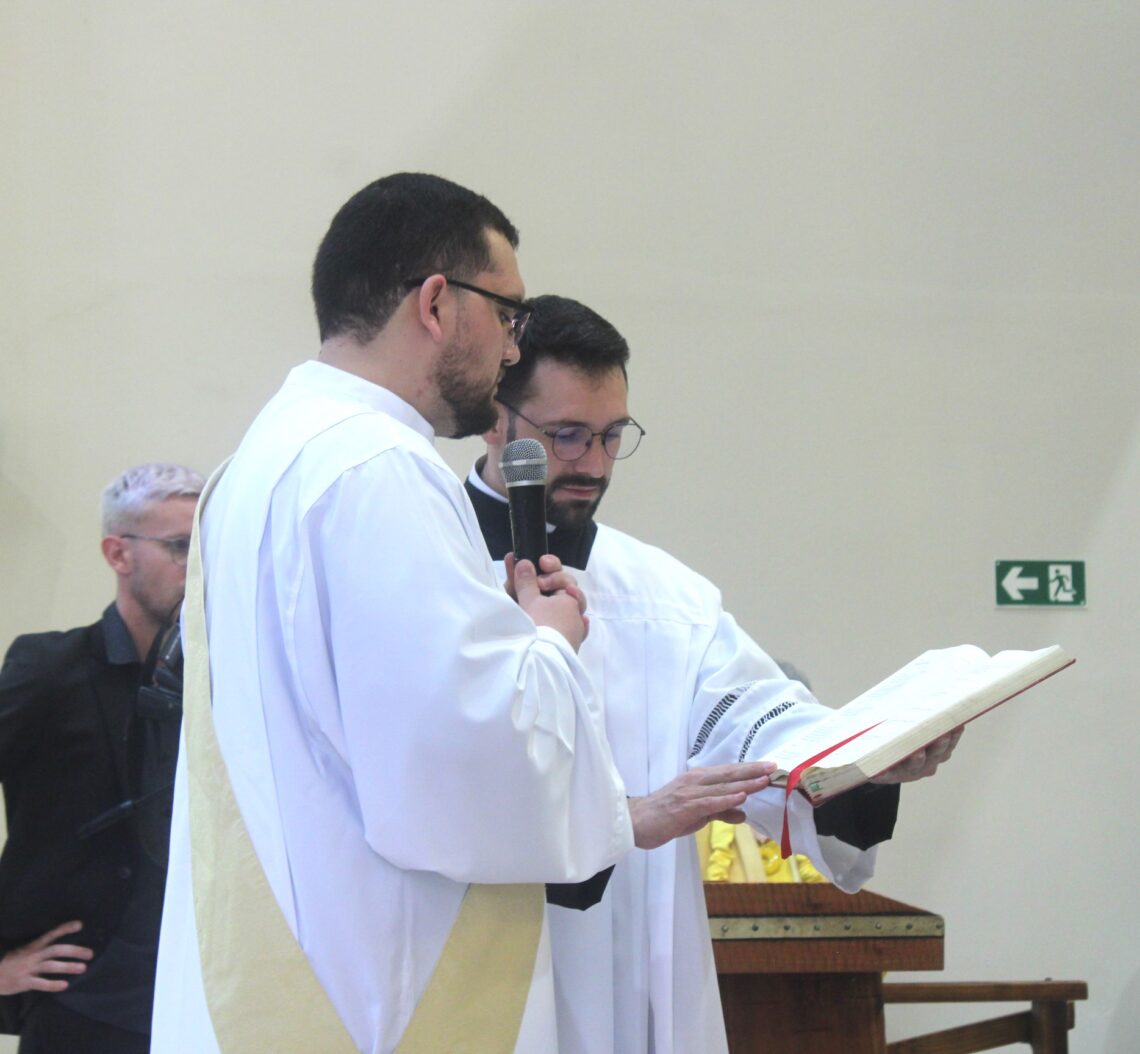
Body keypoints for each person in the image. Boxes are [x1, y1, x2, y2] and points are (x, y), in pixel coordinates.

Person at [154, 174, 758, 1054]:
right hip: (375, 994)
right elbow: (459, 763)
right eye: (509, 315)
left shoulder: (263, 458)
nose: (513, 350)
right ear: (438, 302)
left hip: (282, 961)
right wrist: (549, 643)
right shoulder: (377, 470)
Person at [467, 294, 960, 1054]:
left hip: (630, 958)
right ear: (498, 419)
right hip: (473, 964)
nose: (593, 463)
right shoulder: (427, 560)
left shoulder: (665, 596)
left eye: (611, 436)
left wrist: (868, 761)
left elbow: (756, 722)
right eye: (566, 435)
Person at [0, 462, 204, 1052]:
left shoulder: (229, 682)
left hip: (197, 1001)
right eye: (180, 547)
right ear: (119, 554)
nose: (201, 567)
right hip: (79, 1010)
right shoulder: (48, 670)